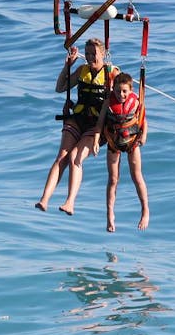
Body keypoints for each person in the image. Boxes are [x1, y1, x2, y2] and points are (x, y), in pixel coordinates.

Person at [35, 38, 117, 214]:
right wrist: (67, 67)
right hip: (78, 119)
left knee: (74, 157)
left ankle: (70, 202)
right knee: (61, 157)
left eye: (93, 54)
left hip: (96, 126)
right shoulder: (81, 70)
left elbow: (126, 95)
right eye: (87, 54)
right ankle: (44, 199)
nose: (89, 57)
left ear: (102, 54)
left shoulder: (112, 74)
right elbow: (60, 87)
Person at [94, 72, 149, 232]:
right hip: (113, 142)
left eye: (124, 91)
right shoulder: (108, 102)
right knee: (113, 179)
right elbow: (99, 124)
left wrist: (144, 135)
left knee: (137, 176)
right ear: (113, 89)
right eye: (118, 91)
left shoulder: (136, 101)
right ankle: (110, 214)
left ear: (131, 90)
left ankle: (145, 209)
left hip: (132, 142)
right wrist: (96, 139)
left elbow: (143, 120)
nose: (121, 95)